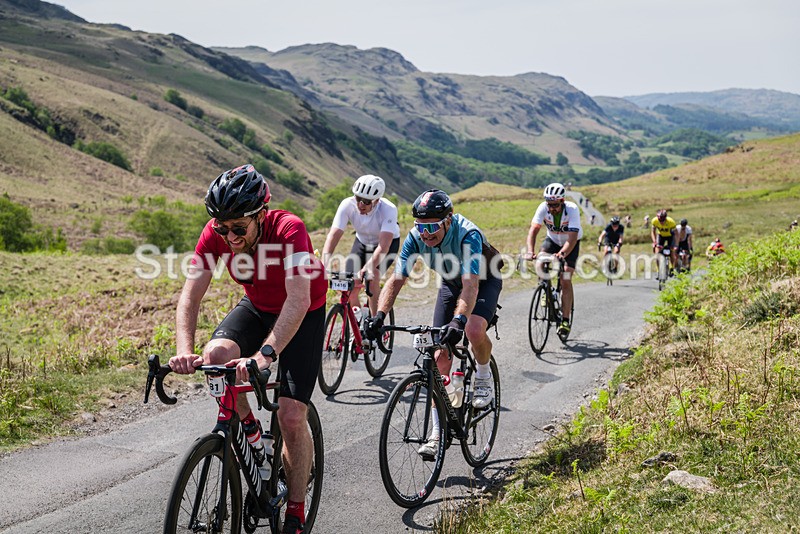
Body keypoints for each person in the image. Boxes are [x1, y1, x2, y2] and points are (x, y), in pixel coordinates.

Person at [168, 164, 327, 534]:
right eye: (222, 227)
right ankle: (254, 437)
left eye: (238, 227)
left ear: (261, 215)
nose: (229, 236)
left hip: (303, 310)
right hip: (258, 305)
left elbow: (298, 300)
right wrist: (183, 350)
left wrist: (265, 355)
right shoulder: (216, 233)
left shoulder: (290, 229)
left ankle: (296, 511)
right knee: (215, 357)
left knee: (290, 417)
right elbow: (189, 298)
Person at [364, 189, 502, 457]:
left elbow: (471, 285)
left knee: (473, 329)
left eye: (432, 227)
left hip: (484, 281)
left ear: (448, 220)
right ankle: (438, 431)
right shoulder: (416, 238)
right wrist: (378, 316)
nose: (425, 234)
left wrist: (459, 321)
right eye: (420, 226)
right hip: (451, 284)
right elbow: (396, 279)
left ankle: (483, 375)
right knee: (439, 356)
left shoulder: (467, 236)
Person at [321, 174, 400, 319]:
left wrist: (367, 267)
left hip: (386, 245)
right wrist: (323, 262)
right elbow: (334, 235)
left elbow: (383, 246)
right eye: (358, 199)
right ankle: (359, 323)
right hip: (362, 242)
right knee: (350, 283)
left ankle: (376, 323)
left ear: (376, 201)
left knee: (372, 275)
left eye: (366, 201)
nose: (360, 205)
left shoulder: (388, 209)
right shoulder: (347, 204)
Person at [524, 182, 582, 338]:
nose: (551, 208)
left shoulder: (572, 210)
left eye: (555, 205)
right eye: (549, 204)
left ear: (562, 201)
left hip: (570, 244)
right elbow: (533, 230)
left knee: (565, 278)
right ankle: (545, 290)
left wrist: (562, 254)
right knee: (541, 262)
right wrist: (530, 251)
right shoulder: (543, 207)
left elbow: (572, 238)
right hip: (552, 240)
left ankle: (564, 319)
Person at [651, 209, 677, 275]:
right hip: (661, 235)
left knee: (672, 252)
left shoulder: (671, 222)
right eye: (660, 221)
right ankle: (658, 270)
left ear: (665, 218)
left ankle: (672, 268)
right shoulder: (654, 221)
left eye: (663, 220)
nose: (661, 222)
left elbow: (676, 234)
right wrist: (654, 242)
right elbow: (653, 232)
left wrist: (676, 244)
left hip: (670, 236)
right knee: (657, 254)